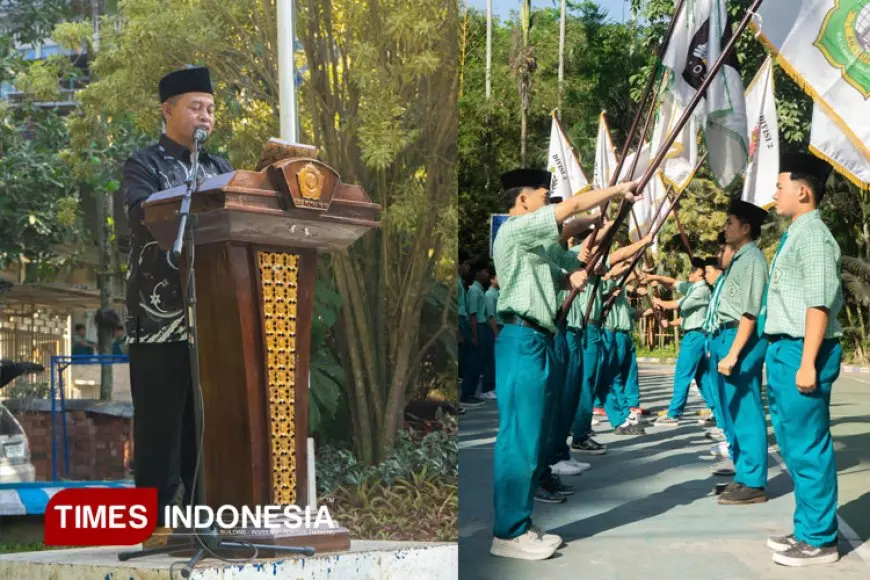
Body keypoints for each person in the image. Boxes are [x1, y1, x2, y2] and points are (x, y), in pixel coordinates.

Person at [489, 167, 639, 560]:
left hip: (538, 339)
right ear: (523, 200)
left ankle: (519, 522)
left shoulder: (534, 245)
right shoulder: (514, 230)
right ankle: (508, 532)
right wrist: (617, 190)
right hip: (522, 338)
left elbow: (570, 258)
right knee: (519, 437)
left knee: (532, 436)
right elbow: (570, 209)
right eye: (542, 195)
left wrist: (598, 224)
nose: (548, 203)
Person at [122, 66, 232, 538]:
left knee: (204, 423)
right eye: (195, 106)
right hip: (157, 317)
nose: (205, 115)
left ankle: (202, 520)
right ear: (168, 111)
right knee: (160, 425)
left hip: (212, 316)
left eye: (209, 107)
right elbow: (139, 215)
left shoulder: (220, 167)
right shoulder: (143, 164)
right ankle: (154, 523)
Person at [762, 153, 842, 567]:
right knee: (794, 445)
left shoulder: (814, 237)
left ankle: (820, 539)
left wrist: (807, 361)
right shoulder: (797, 233)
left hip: (802, 348)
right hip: (786, 348)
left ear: (803, 191)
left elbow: (818, 303)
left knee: (808, 446)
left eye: (780, 186)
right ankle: (807, 526)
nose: (775, 193)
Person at [710, 199, 770, 506]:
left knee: (746, 410)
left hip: (740, 338)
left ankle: (754, 481)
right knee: (732, 409)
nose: (725, 227)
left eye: (730, 222)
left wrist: (733, 354)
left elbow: (749, 313)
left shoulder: (752, 261)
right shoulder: (739, 259)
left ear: (746, 228)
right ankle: (743, 473)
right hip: (726, 335)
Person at [645, 257, 711, 426]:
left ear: (700, 273)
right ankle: (718, 411)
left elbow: (677, 305)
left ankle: (673, 414)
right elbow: (673, 283)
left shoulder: (701, 290)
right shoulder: (693, 287)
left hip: (695, 337)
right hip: (696, 334)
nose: (689, 272)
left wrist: (658, 301)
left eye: (693, 270)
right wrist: (656, 278)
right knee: (702, 378)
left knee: (682, 375)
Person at [480, 270, 501, 400]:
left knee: (496, 359)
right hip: (495, 327)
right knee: (490, 359)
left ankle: (493, 386)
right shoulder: (489, 295)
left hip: (500, 326)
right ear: (492, 279)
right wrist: (496, 333)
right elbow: (490, 316)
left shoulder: (497, 293)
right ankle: (487, 388)